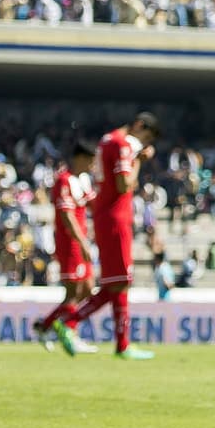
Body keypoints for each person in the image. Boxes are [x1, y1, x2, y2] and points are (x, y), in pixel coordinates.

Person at [52, 112, 161, 360]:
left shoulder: (106, 140)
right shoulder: (122, 145)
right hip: (115, 217)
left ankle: (121, 343)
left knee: (116, 282)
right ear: (139, 125)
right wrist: (139, 161)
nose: (143, 143)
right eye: (146, 137)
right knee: (119, 282)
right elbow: (124, 184)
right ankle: (71, 322)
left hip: (107, 216)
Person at [35, 138, 99, 351]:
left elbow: (94, 205)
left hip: (81, 241)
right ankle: (70, 333)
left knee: (88, 289)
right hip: (70, 242)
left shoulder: (83, 180)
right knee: (73, 292)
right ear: (80, 158)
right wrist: (83, 242)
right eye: (90, 161)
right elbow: (67, 216)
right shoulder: (63, 180)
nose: (92, 166)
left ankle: (45, 326)